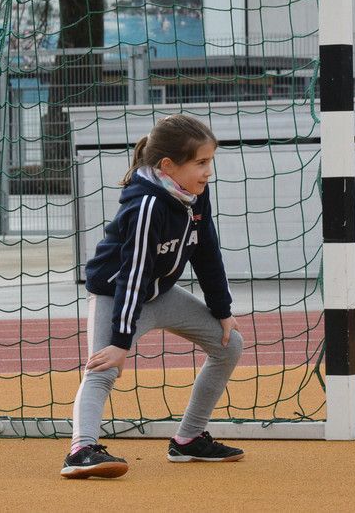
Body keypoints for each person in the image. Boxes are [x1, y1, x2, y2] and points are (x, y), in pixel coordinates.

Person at [61, 114, 245, 479]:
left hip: (159, 293)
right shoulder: (147, 206)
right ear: (168, 166)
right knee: (104, 366)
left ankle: (189, 439)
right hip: (117, 294)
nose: (208, 171)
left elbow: (207, 252)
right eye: (200, 163)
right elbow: (133, 275)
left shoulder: (195, 195)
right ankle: (81, 450)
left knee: (229, 344)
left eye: (210, 161)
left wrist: (222, 310)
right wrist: (120, 342)